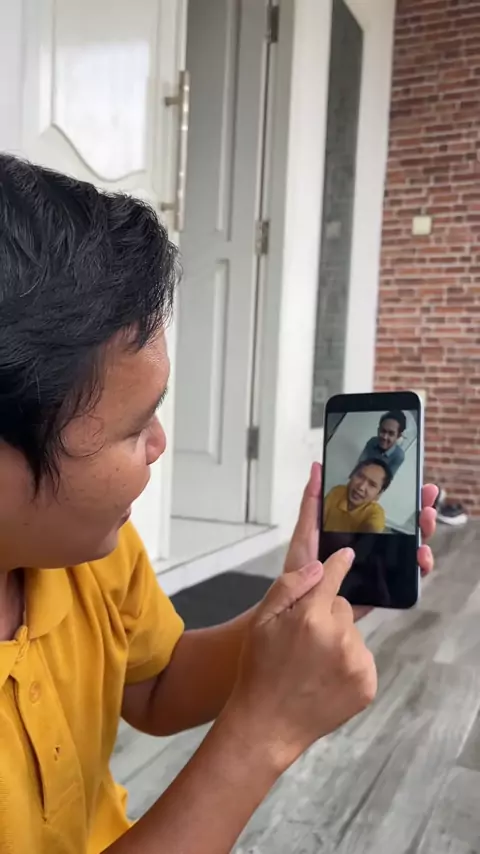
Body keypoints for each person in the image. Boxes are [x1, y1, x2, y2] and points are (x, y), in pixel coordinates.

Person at [0, 155, 437, 854]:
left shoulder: (89, 552)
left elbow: (158, 684)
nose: (159, 443)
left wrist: (288, 610)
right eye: (132, 428)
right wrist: (261, 735)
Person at [323, 459, 393, 534]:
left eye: (372, 485)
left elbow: (372, 530)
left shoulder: (375, 514)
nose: (361, 487)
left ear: (378, 494)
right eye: (360, 476)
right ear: (351, 475)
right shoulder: (337, 491)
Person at [357, 410, 407, 477]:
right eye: (383, 431)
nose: (384, 437)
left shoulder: (399, 456)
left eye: (391, 433)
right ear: (378, 429)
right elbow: (361, 462)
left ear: (398, 436)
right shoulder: (372, 441)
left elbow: (387, 478)